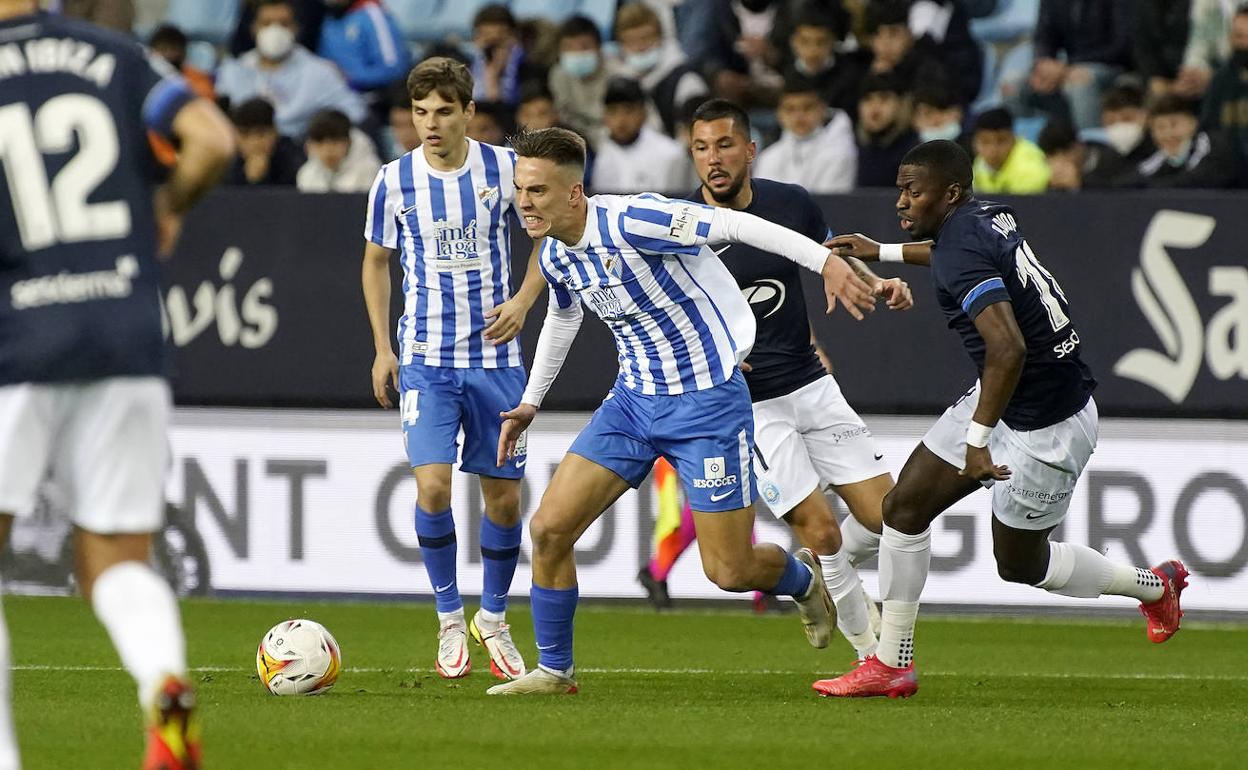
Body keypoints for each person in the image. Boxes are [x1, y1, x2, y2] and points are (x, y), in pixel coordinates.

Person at [486, 126, 878, 695]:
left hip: (707, 407)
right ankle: (554, 671)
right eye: (520, 190)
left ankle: (801, 580)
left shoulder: (635, 220)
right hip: (632, 404)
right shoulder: (555, 253)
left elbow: (736, 224)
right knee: (548, 530)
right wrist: (530, 402)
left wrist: (826, 263)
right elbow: (565, 316)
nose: (525, 202)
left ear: (574, 192)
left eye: (538, 191)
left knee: (729, 571)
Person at [813, 140, 1189, 698]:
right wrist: (884, 252)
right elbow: (949, 254)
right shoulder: (985, 218)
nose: (900, 200)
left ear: (952, 193)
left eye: (912, 191)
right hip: (1010, 396)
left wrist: (977, 441)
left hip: (1046, 425)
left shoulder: (963, 242)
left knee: (1020, 566)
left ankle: (1155, 587)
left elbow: (1007, 348)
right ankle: (892, 663)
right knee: (903, 508)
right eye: (900, 188)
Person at [0, 3, 236, 767]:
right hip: (126, 331)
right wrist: (164, 208)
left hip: (17, 337)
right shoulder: (117, 54)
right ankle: (162, 682)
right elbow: (211, 140)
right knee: (117, 561)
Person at [686, 99, 920, 658]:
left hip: (812, 386)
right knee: (821, 529)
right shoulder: (683, 229)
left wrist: (877, 280)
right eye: (700, 148)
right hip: (750, 407)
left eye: (723, 146)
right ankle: (871, 655)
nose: (712, 160)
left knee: (889, 519)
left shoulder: (789, 203)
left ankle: (830, 579)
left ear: (749, 150)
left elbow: (831, 253)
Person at [361, 57, 547, 682]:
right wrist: (384, 348)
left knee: (501, 499)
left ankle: (493, 616)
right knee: (433, 486)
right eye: (420, 112)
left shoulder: (504, 169)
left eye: (443, 111)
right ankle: (447, 614)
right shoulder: (392, 180)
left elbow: (549, 233)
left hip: (496, 360)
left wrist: (523, 301)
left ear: (470, 112)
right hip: (426, 360)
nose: (430, 124)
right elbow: (375, 262)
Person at [216, 0, 367, 138]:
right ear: (253, 28)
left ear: (295, 28)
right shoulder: (233, 72)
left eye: (283, 24)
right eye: (266, 23)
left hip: (300, 152)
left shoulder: (319, 72)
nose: (274, 31)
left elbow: (356, 114)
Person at [614, 2, 708, 136]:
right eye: (631, 41)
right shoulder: (620, 82)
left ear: (660, 38)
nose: (640, 47)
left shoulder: (686, 80)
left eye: (645, 38)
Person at [755, 78, 856, 193]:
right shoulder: (768, 157)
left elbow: (832, 203)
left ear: (822, 110)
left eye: (807, 108)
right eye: (790, 109)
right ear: (779, 114)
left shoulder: (840, 153)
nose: (799, 116)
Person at [592, 77, 690, 193]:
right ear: (604, 116)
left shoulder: (670, 154)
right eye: (613, 111)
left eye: (628, 110)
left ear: (643, 114)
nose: (620, 120)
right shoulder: (602, 149)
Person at [1129, 94, 1240, 188]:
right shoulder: (1159, 157)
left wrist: (1150, 187)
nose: (1168, 134)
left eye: (1174, 124)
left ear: (1193, 123)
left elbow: (1199, 179)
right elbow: (1128, 182)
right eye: (1160, 127)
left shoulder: (1215, 144)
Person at [781, 2, 867, 117]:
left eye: (820, 42)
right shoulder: (788, 70)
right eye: (805, 41)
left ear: (832, 42)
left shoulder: (850, 74)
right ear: (794, 42)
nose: (813, 50)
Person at [549, 13, 618, 150]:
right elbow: (564, 115)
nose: (576, 53)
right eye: (568, 47)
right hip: (578, 138)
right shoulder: (558, 74)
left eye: (584, 46)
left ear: (599, 48)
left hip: (613, 135)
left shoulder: (617, 73)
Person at [319, 0, 410, 98]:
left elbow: (394, 69)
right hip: (333, 96)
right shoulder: (328, 16)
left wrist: (350, 79)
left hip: (370, 98)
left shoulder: (373, 15)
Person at [1201, 5, 1248, 163]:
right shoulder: (1222, 78)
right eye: (1239, 36)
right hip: (1226, 168)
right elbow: (1208, 128)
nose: (1244, 45)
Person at [855, 73, 920, 188]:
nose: (874, 108)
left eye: (884, 98)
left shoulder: (916, 151)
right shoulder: (854, 147)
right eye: (867, 99)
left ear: (902, 105)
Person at [225, 97, 306, 186]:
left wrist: (261, 178)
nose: (254, 142)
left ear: (275, 132)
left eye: (261, 134)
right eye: (245, 135)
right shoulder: (227, 161)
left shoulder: (294, 159)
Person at [297, 109, 381, 193]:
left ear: (348, 142)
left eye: (335, 142)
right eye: (320, 142)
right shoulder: (306, 174)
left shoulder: (370, 171)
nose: (328, 150)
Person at [971, 107, 1051, 194]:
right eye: (985, 141)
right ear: (974, 142)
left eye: (1001, 141)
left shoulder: (1031, 168)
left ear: (1013, 138)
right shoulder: (979, 163)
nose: (993, 149)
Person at [148, 23, 215, 99]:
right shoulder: (144, 78)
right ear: (151, 52)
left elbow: (205, 100)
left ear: (184, 52)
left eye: (174, 48)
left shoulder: (196, 78)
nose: (169, 54)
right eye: (163, 49)